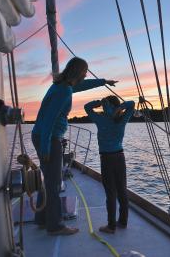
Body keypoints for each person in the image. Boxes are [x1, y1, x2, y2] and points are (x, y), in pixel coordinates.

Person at [32, 57, 117, 235]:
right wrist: (46, 147)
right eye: (85, 72)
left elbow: (83, 86)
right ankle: (55, 226)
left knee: (48, 179)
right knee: (54, 183)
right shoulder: (63, 91)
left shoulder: (62, 85)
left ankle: (41, 218)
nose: (86, 75)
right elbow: (49, 120)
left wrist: (103, 82)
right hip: (48, 137)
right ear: (78, 72)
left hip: (42, 136)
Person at [84, 95, 135, 234]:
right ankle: (123, 222)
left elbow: (87, 107)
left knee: (110, 193)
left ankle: (111, 226)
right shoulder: (122, 118)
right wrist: (119, 108)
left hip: (106, 159)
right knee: (122, 191)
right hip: (120, 157)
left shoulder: (100, 119)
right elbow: (132, 104)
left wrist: (98, 102)